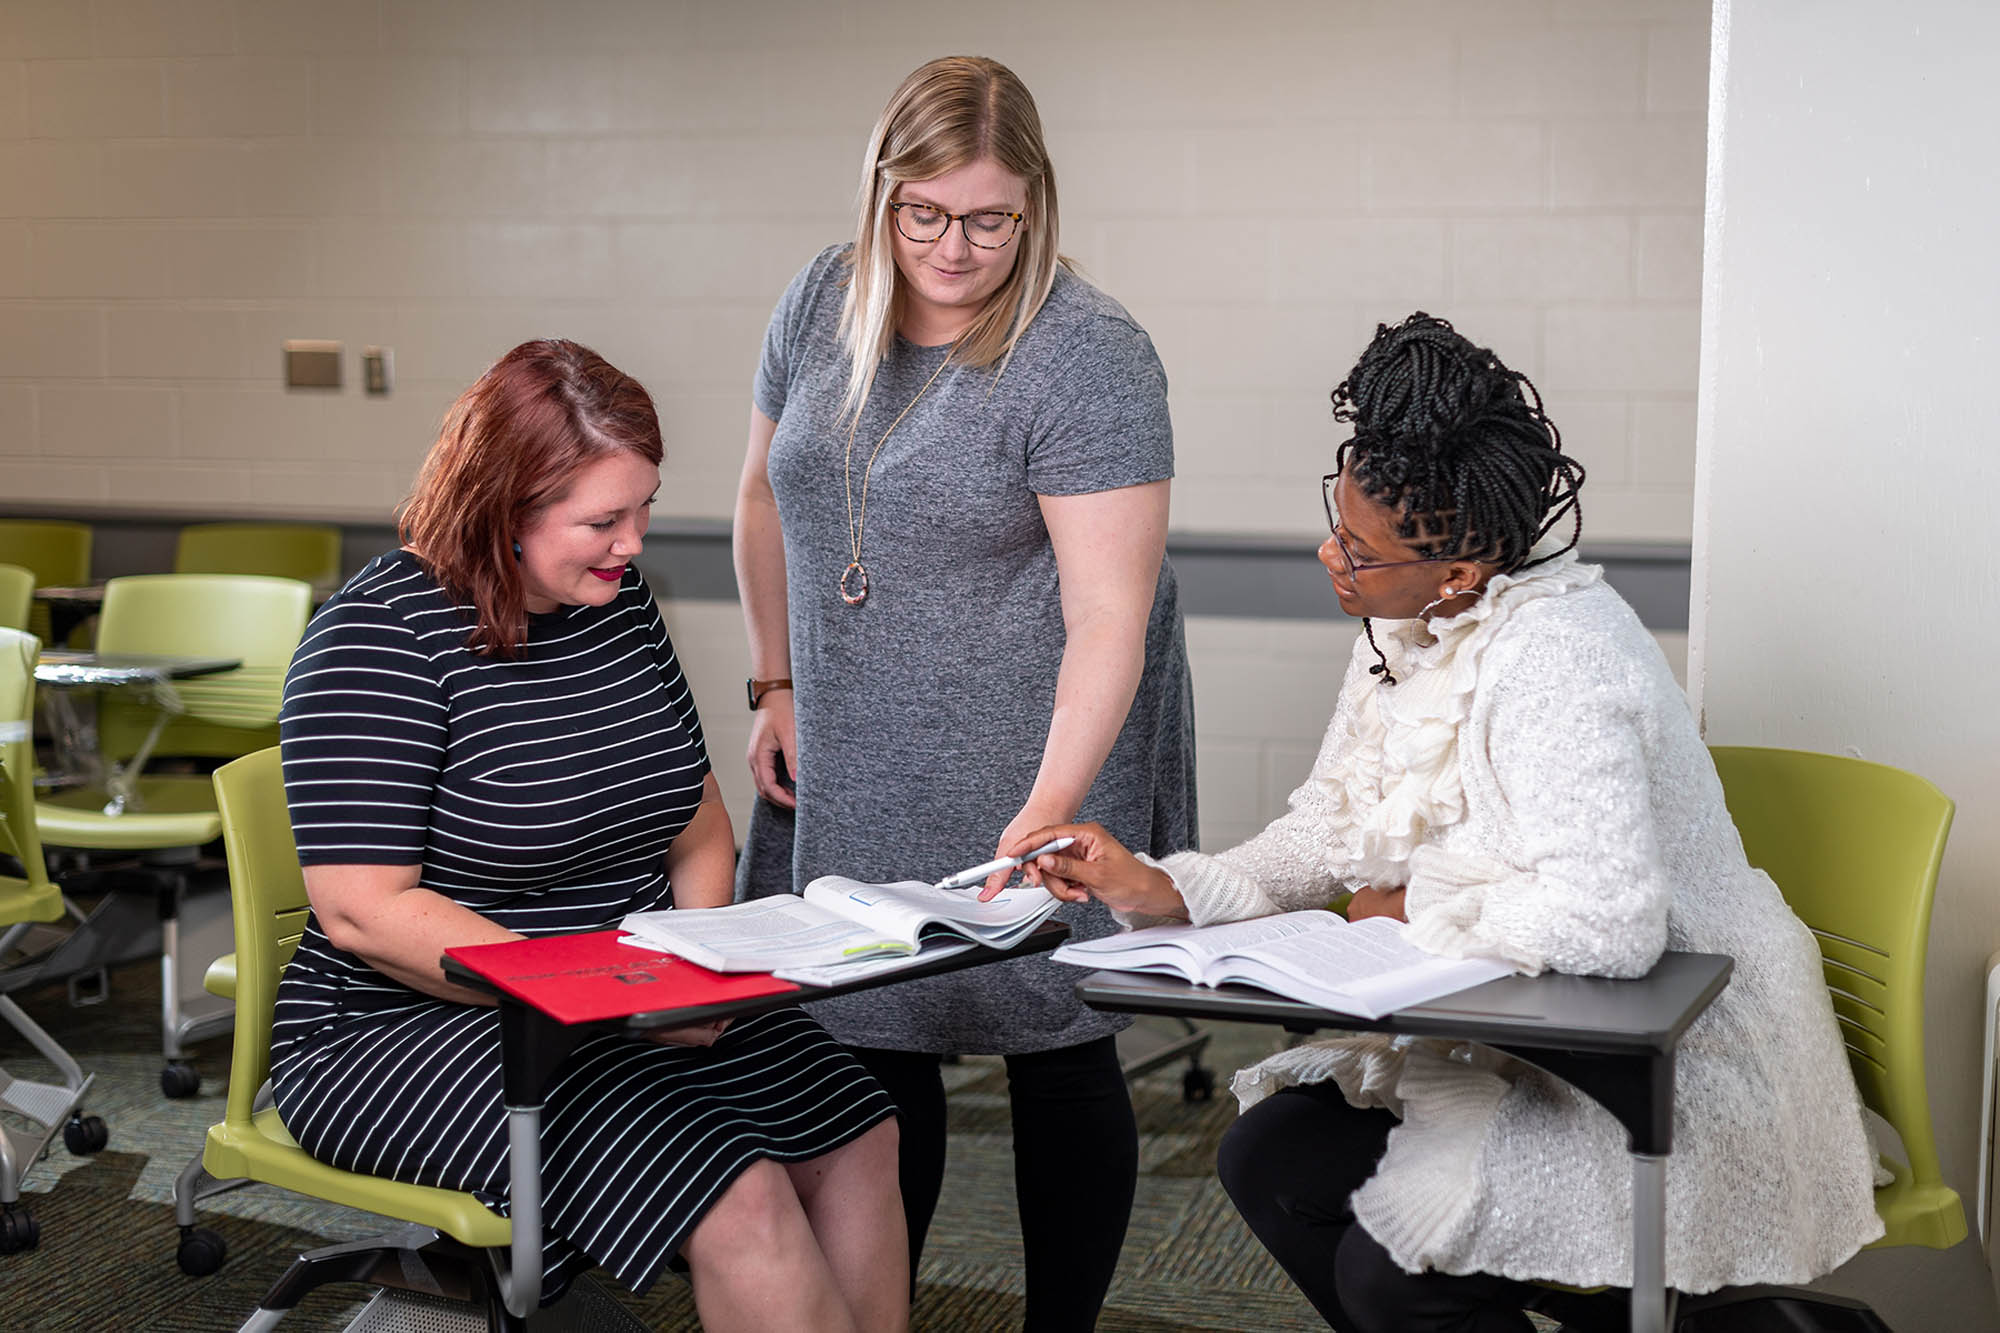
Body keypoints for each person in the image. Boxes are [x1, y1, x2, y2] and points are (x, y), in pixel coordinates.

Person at [1008, 314, 1884, 1331]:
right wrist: (1160, 887)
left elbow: (1609, 923)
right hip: (1522, 1038)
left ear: (1460, 571)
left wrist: (1408, 907)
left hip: (1677, 1071)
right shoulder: (1404, 621)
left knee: (1393, 1275)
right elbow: (1326, 826)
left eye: (1360, 550)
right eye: (1336, 521)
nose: (1330, 553)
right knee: (1267, 1157)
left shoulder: (1560, 657)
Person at [273, 340, 908, 1333]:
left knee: (859, 1130)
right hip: (404, 1027)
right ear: (503, 509)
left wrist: (697, 970)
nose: (632, 543)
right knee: (735, 1190)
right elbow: (364, 911)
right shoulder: (379, 635)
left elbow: (697, 818)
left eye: (644, 508)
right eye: (603, 521)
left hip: (624, 994)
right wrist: (598, 995)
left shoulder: (613, 608)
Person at [731, 55, 1197, 1328]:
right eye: (924, 214)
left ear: (1034, 203)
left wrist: (1050, 803)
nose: (954, 248)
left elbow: (1109, 616)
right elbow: (763, 497)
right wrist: (775, 681)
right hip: (854, 717)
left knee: (1054, 1026)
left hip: (1039, 731)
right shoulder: (819, 301)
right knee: (869, 1022)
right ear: (880, 194)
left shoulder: (1087, 353)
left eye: (990, 219)